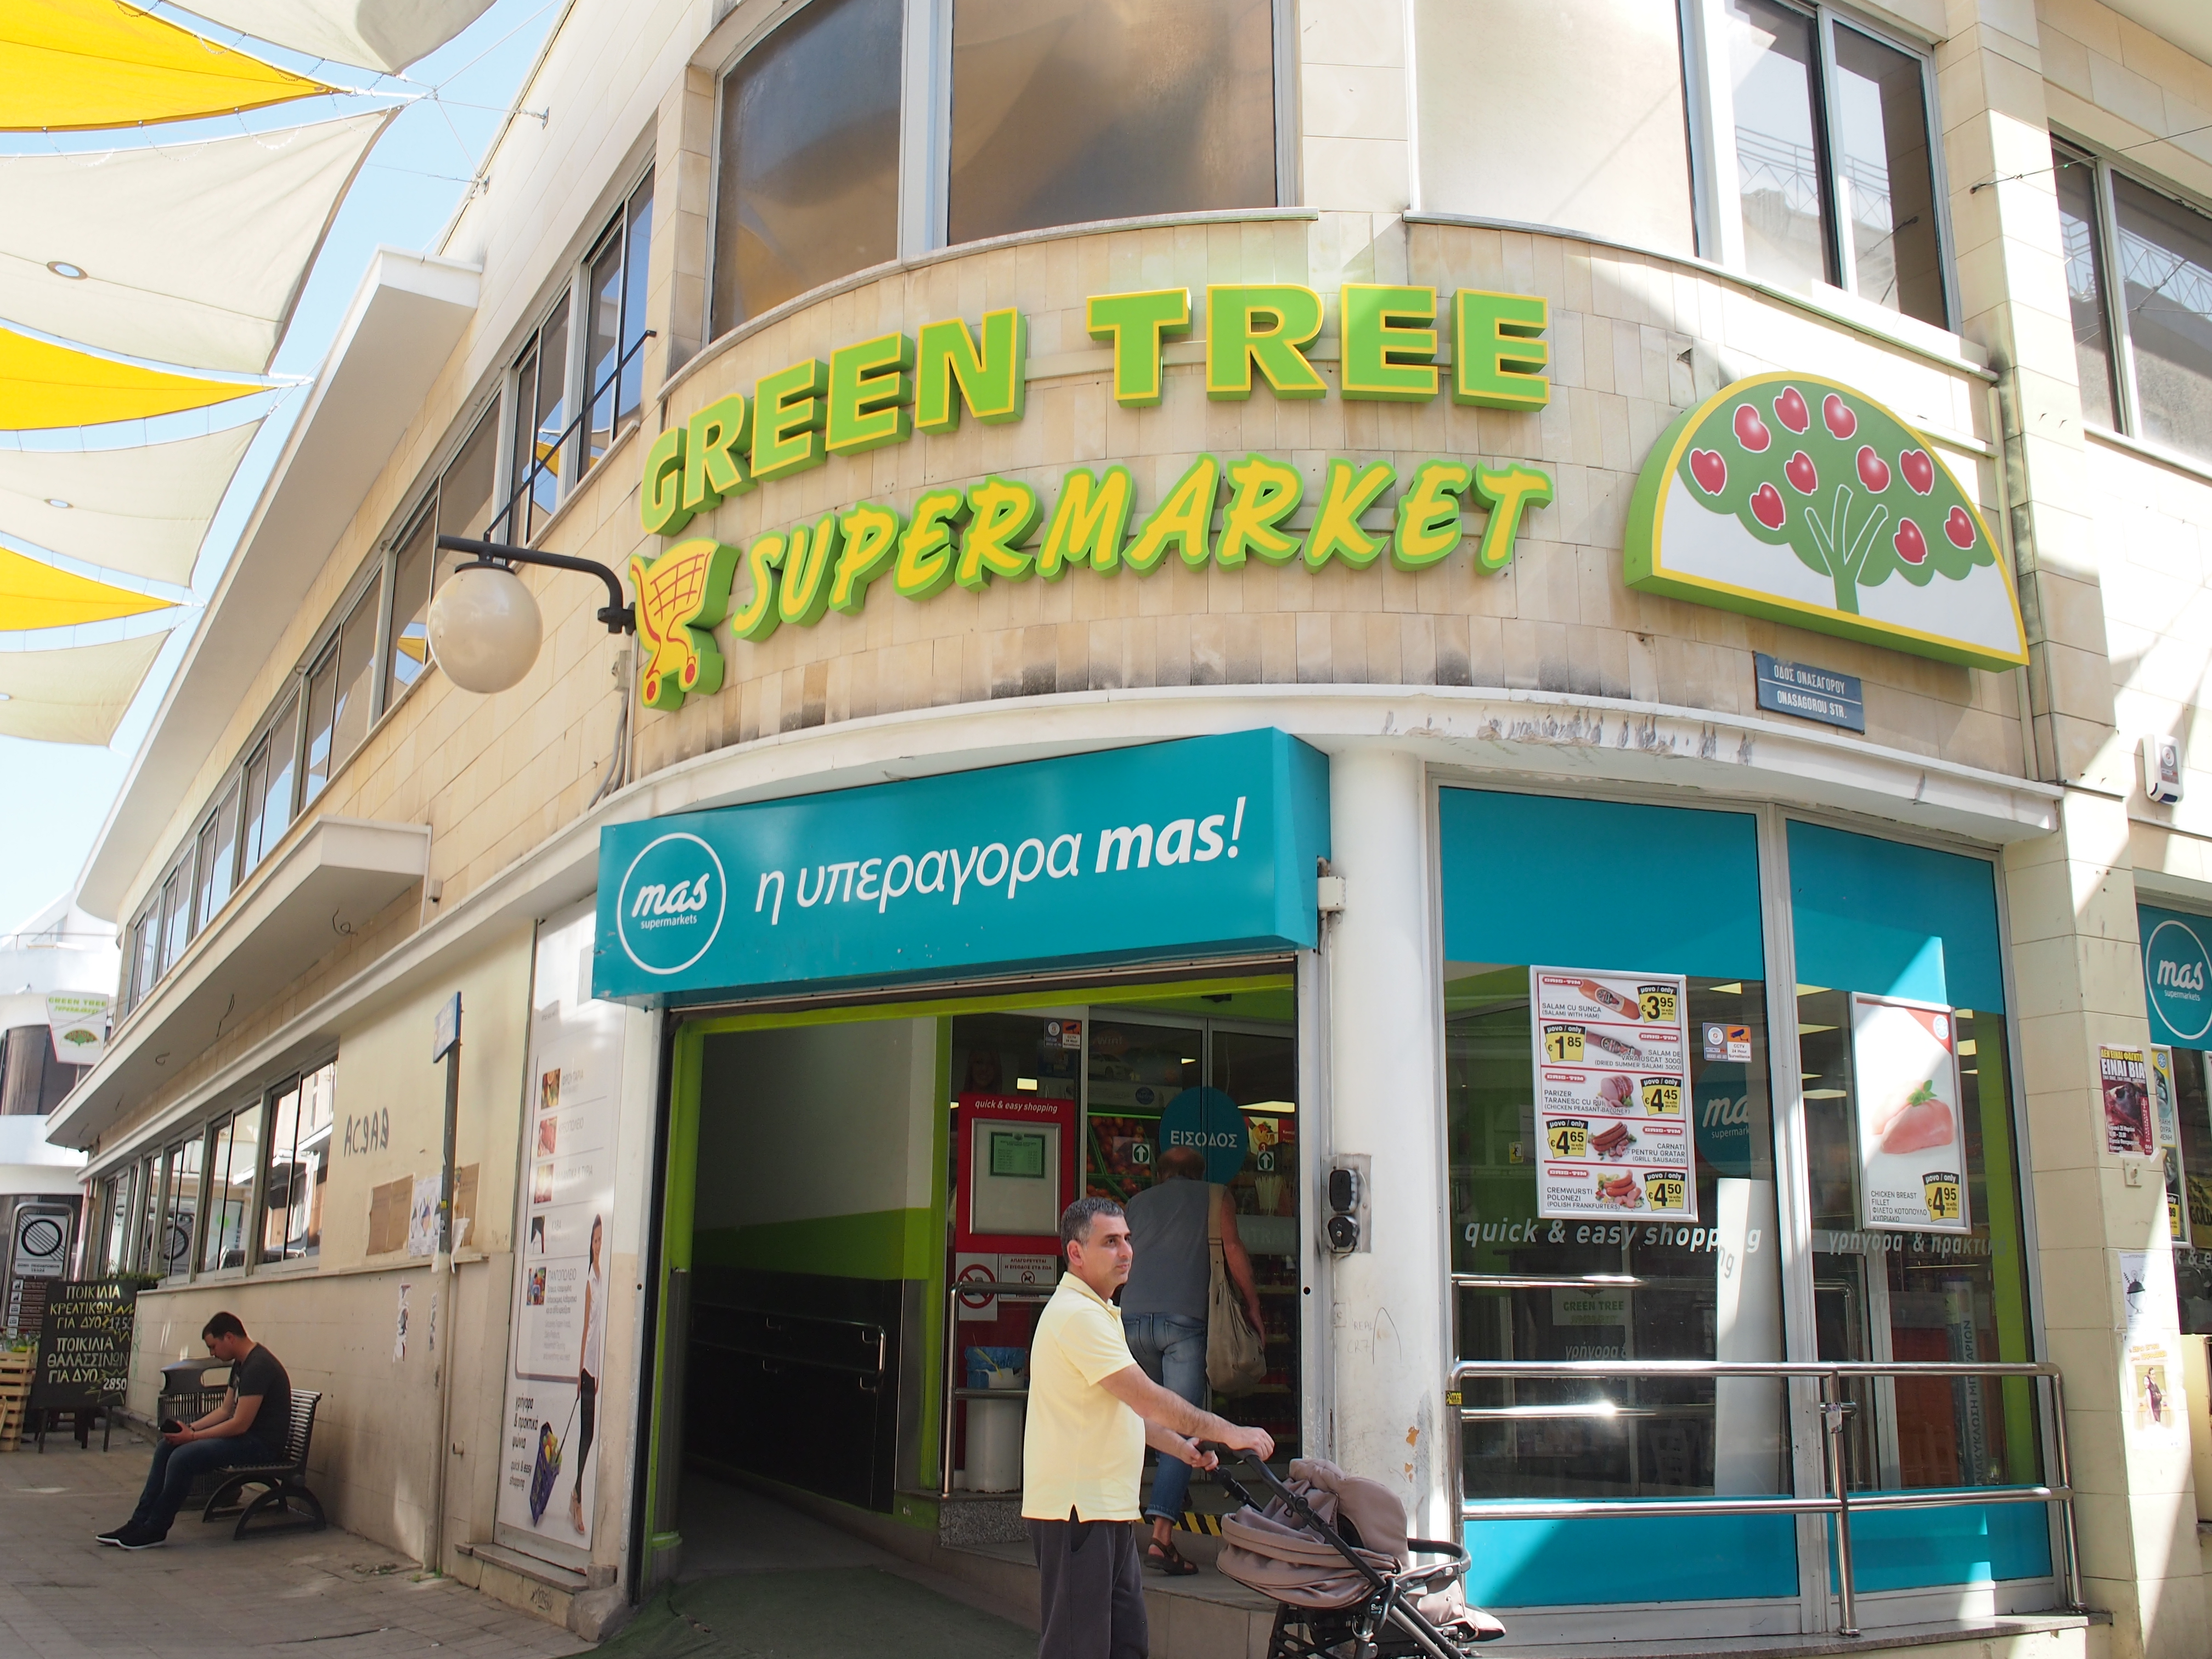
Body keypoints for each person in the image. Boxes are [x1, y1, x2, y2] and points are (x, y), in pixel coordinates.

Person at [1024, 1196, 1274, 1659]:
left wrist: (1179, 1447)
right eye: (1110, 1242)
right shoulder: (1078, 1316)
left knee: (1126, 1642)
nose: (1126, 1252)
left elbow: (1125, 1411)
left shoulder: (1099, 1312)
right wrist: (1229, 1431)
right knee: (1080, 1648)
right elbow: (1147, 1397)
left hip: (1106, 1509)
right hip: (1077, 1510)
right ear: (1076, 1253)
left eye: (1127, 1239)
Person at [1119, 1145, 1266, 1574]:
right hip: (1183, 1323)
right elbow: (1233, 1250)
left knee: (1139, 1422)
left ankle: (1122, 1521)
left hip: (1132, 1321)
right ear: (1200, 1172)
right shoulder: (1215, 1196)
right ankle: (1162, 1539)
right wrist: (1253, 1306)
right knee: (1180, 1424)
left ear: (1160, 1173)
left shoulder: (1135, 1204)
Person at [99, 1311, 291, 1550]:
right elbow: (225, 1411)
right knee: (167, 1446)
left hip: (261, 1446)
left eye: (213, 1346)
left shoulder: (259, 1366)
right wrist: (189, 1429)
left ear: (229, 1337)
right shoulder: (242, 1364)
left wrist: (192, 1438)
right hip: (246, 1439)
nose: (212, 1353)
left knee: (183, 1457)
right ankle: (138, 1522)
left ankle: (156, 1529)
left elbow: (240, 1424)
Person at [569, 1214, 606, 1534]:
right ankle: (577, 1499)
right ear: (590, 1243)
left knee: (591, 1434)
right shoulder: (590, 1280)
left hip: (597, 1367)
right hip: (587, 1368)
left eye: (601, 1239)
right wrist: (579, 1369)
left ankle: (576, 1493)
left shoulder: (604, 1276)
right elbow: (586, 1328)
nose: (598, 1244)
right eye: (595, 1240)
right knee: (586, 1434)